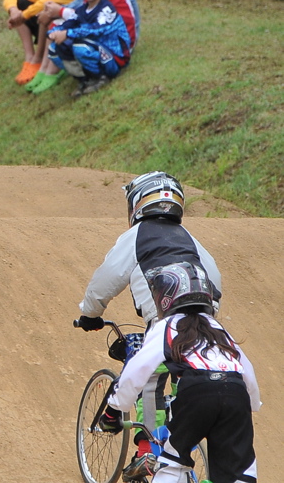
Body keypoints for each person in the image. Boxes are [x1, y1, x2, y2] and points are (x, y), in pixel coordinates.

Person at [78, 171, 223, 466]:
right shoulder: (191, 240)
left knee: (150, 378)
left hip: (165, 320)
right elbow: (215, 280)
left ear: (137, 203)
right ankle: (185, 438)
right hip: (205, 323)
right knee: (188, 380)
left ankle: (147, 449)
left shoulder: (137, 235)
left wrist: (90, 313)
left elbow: (106, 279)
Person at [98, 262, 260, 483]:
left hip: (198, 391)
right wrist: (251, 404)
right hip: (235, 391)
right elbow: (247, 370)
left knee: (173, 462)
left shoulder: (167, 326)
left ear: (164, 298)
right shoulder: (218, 328)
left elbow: (138, 368)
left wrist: (114, 409)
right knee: (239, 472)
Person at [45, 0, 131, 98]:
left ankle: (100, 77)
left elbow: (95, 30)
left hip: (115, 58)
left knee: (80, 47)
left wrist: (67, 33)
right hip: (95, 50)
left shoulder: (107, 9)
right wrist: (53, 33)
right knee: (54, 50)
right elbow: (68, 23)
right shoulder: (82, 10)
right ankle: (84, 79)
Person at [1, 0, 78, 85]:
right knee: (20, 4)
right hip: (47, 30)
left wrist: (23, 16)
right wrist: (14, 11)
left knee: (46, 11)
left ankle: (39, 60)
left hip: (64, 31)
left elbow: (44, 2)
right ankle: (30, 58)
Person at [25, 0, 96, 94]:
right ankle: (44, 68)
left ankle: (52, 70)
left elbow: (83, 14)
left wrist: (58, 11)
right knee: (53, 20)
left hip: (95, 36)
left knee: (57, 23)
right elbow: (76, 6)